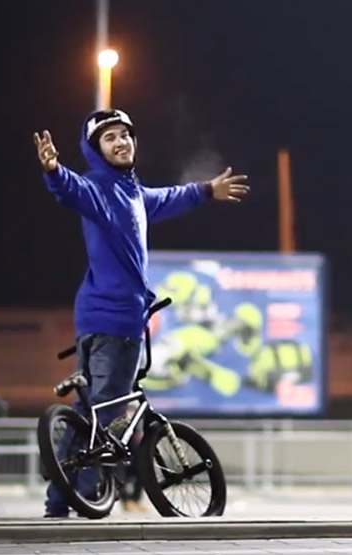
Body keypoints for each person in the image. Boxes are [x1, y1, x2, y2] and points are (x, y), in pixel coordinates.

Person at [32, 108, 249, 518]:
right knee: (111, 413)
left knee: (87, 412)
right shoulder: (100, 189)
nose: (121, 142)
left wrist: (206, 190)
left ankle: (59, 501)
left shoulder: (133, 194)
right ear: (95, 151)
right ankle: (89, 495)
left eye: (125, 135)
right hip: (115, 320)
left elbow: (168, 197)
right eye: (109, 138)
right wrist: (54, 170)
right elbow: (72, 190)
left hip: (97, 319)